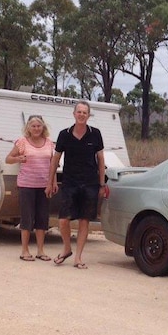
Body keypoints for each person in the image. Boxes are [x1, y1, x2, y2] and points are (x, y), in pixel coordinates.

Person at [46, 100, 105, 269]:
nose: (81, 115)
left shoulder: (95, 134)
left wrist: (101, 184)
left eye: (84, 112)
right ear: (74, 114)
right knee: (63, 220)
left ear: (88, 115)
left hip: (90, 183)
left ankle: (78, 257)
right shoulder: (64, 134)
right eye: (79, 112)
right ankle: (66, 248)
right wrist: (51, 182)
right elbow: (55, 159)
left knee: (84, 221)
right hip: (70, 182)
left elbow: (100, 159)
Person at [6, 115, 54, 262]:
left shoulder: (49, 143)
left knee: (42, 218)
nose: (36, 129)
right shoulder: (22, 142)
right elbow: (8, 159)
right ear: (28, 128)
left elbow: (53, 164)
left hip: (44, 186)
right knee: (27, 217)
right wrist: (17, 159)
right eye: (33, 126)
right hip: (26, 185)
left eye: (39, 126)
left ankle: (40, 250)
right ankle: (25, 250)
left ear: (43, 127)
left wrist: (53, 182)